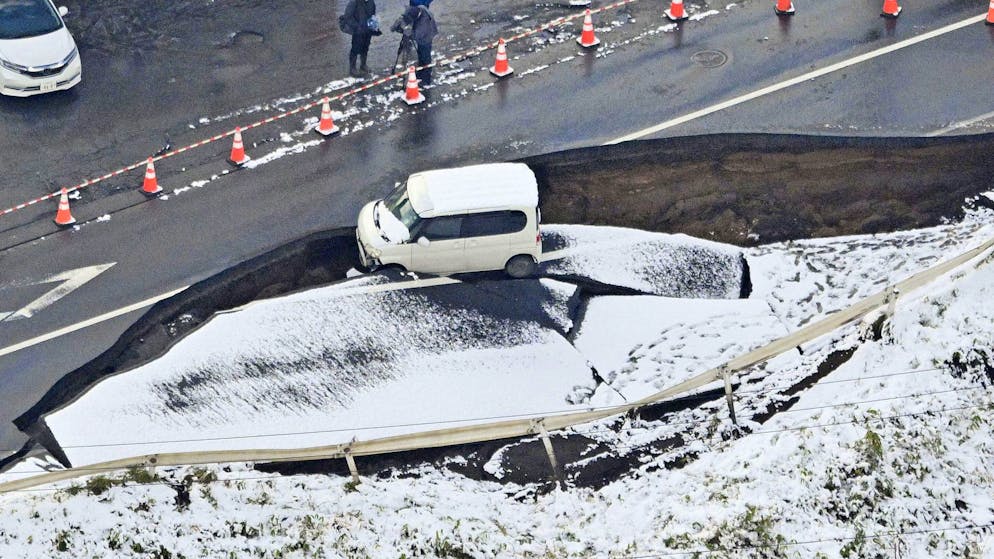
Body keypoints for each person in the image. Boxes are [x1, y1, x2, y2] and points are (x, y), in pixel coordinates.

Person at [391, 0, 438, 85]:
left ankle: (426, 78)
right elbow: (406, 16)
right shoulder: (414, 11)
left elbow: (417, 36)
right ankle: (420, 71)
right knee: (421, 54)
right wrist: (400, 22)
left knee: (425, 56)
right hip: (421, 32)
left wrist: (407, 32)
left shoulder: (424, 21)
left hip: (426, 36)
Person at [342, 0, 379, 78]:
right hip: (358, 32)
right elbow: (348, 17)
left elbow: (373, 14)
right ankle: (352, 68)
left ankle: (363, 65)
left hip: (367, 30)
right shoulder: (354, 2)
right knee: (355, 49)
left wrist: (373, 24)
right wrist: (357, 27)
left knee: (365, 47)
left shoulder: (371, 2)